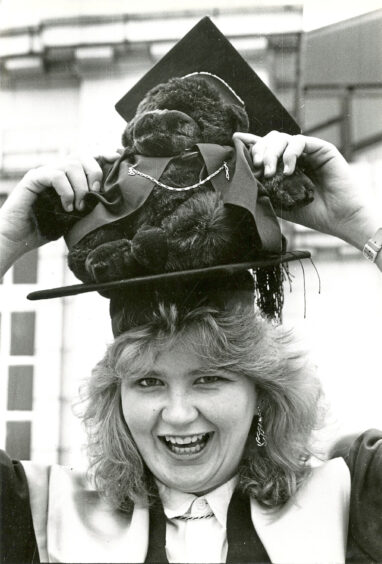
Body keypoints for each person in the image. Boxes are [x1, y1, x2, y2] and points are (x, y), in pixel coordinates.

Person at [0, 130, 381, 563]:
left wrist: (361, 224)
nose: (178, 414)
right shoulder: (41, 520)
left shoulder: (350, 505)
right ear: (115, 397)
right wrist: (7, 241)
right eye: (148, 381)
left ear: (262, 391)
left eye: (209, 378)